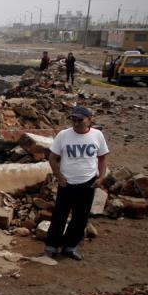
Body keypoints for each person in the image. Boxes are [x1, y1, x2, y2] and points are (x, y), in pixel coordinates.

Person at [45, 106, 109, 260]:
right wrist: (59, 176)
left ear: (89, 120)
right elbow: (52, 158)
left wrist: (101, 177)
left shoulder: (97, 135)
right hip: (66, 183)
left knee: (81, 217)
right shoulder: (63, 135)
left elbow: (102, 157)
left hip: (88, 183)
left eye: (80, 120)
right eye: (73, 119)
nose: (76, 123)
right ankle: (51, 246)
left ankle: (70, 247)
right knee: (60, 215)